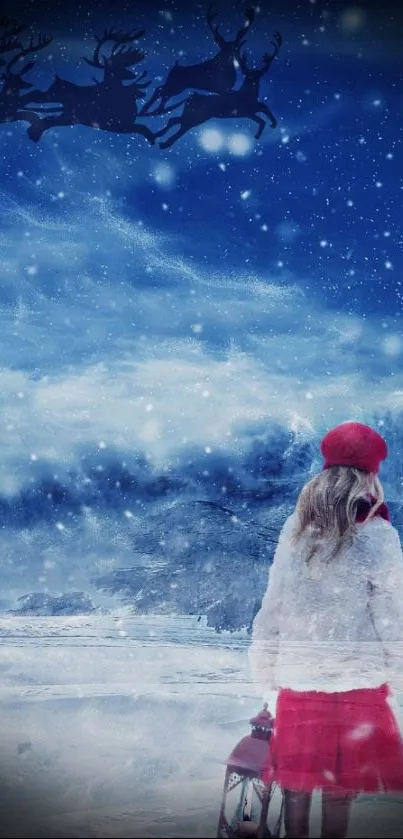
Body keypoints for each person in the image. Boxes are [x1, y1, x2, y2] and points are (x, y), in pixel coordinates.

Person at [248, 421, 403, 839]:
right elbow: (392, 615)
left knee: (296, 786)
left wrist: (265, 667)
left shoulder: (295, 529)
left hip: (300, 682)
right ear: (370, 475)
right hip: (358, 685)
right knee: (339, 790)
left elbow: (274, 603)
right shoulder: (379, 534)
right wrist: (400, 671)